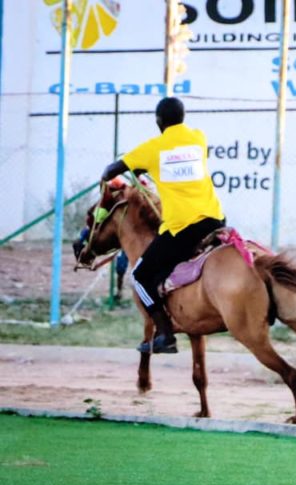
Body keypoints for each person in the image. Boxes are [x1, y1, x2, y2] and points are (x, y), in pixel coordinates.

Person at [100, 97, 226, 354]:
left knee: (141, 275)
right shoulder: (198, 138)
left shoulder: (152, 149)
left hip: (183, 228)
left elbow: (114, 169)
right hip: (216, 219)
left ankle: (165, 335)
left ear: (158, 121)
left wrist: (108, 175)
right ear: (183, 116)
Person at [73, 226, 129, 302]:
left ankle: (119, 292)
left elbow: (113, 256)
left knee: (121, 268)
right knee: (78, 241)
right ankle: (83, 259)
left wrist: (98, 265)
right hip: (106, 236)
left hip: (124, 241)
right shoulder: (90, 231)